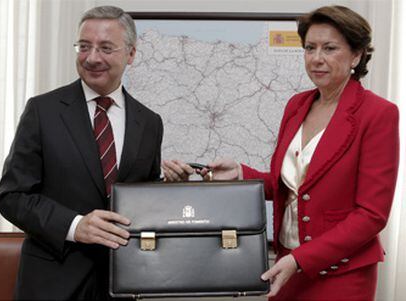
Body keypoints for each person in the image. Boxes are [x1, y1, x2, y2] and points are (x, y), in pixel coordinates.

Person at [162, 5, 399, 300]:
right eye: (309, 48)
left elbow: (371, 215)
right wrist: (240, 174)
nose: (316, 58)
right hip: (287, 266)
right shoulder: (297, 105)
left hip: (340, 273)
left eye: (329, 48)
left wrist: (302, 259)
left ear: (356, 54)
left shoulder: (378, 114)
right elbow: (293, 187)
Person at [0, 6, 163, 300]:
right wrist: (75, 226)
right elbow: (12, 197)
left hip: (125, 284)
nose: (92, 57)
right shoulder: (42, 111)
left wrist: (170, 186)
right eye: (84, 46)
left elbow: (144, 201)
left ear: (131, 54)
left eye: (106, 47)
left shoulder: (149, 123)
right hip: (52, 284)